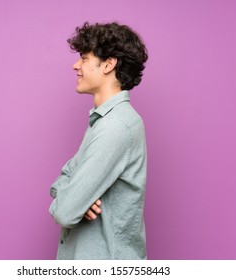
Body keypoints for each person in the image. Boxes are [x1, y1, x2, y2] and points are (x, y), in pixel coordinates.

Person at [49, 21, 148, 259]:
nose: (76, 66)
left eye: (84, 58)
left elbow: (64, 212)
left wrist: (72, 201)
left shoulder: (115, 127)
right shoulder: (103, 121)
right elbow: (62, 178)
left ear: (109, 64)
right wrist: (71, 193)